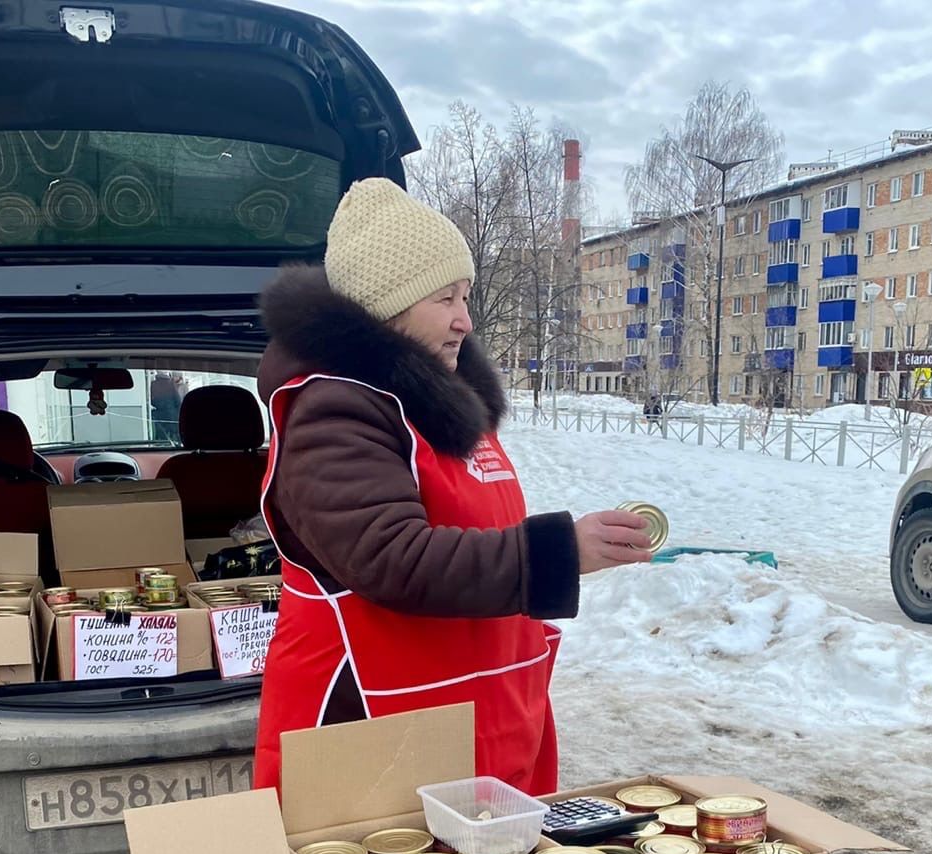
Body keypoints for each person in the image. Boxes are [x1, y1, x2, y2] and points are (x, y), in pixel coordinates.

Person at [252, 178, 652, 793]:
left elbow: (473, 530)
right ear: (386, 306)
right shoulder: (333, 411)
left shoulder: (439, 407)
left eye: (466, 296)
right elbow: (391, 557)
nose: (466, 320)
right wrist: (556, 552)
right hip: (376, 726)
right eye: (445, 299)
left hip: (478, 713)